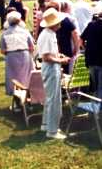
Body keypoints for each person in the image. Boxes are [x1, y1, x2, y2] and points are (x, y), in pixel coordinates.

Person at [37, 8, 70, 139]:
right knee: (54, 100)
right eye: (58, 22)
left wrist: (58, 55)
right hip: (50, 68)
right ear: (52, 24)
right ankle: (52, 131)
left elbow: (49, 54)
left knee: (50, 98)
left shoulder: (49, 34)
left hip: (52, 68)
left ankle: (46, 125)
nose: (60, 24)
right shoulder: (47, 35)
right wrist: (61, 60)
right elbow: (45, 57)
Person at [0, 11, 34, 95]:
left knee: (13, 77)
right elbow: (32, 47)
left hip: (11, 56)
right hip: (25, 55)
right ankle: (27, 94)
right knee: (26, 76)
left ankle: (15, 94)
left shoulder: (4, 34)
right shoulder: (25, 32)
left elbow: (2, 50)